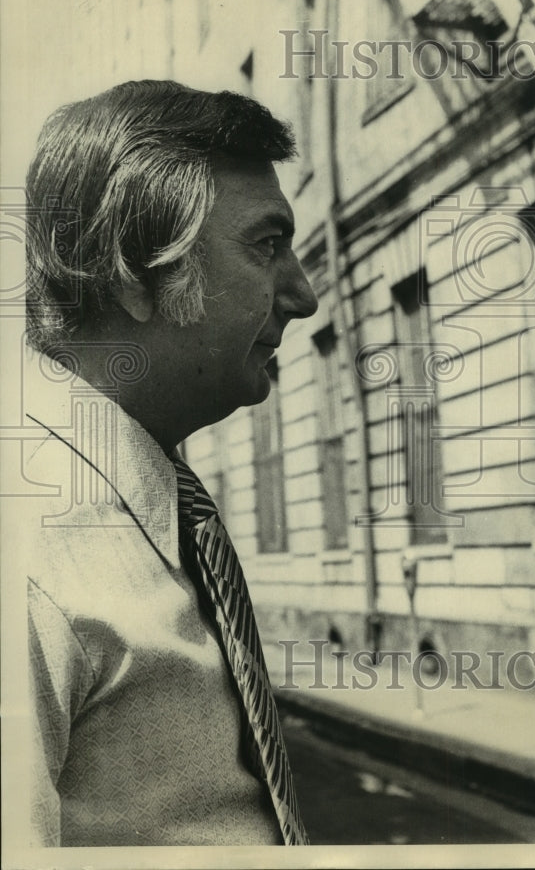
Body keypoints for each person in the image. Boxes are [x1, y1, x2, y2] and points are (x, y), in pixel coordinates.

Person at [23, 80, 318, 847]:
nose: (303, 294)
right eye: (266, 245)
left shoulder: (142, 500)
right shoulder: (30, 548)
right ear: (135, 267)